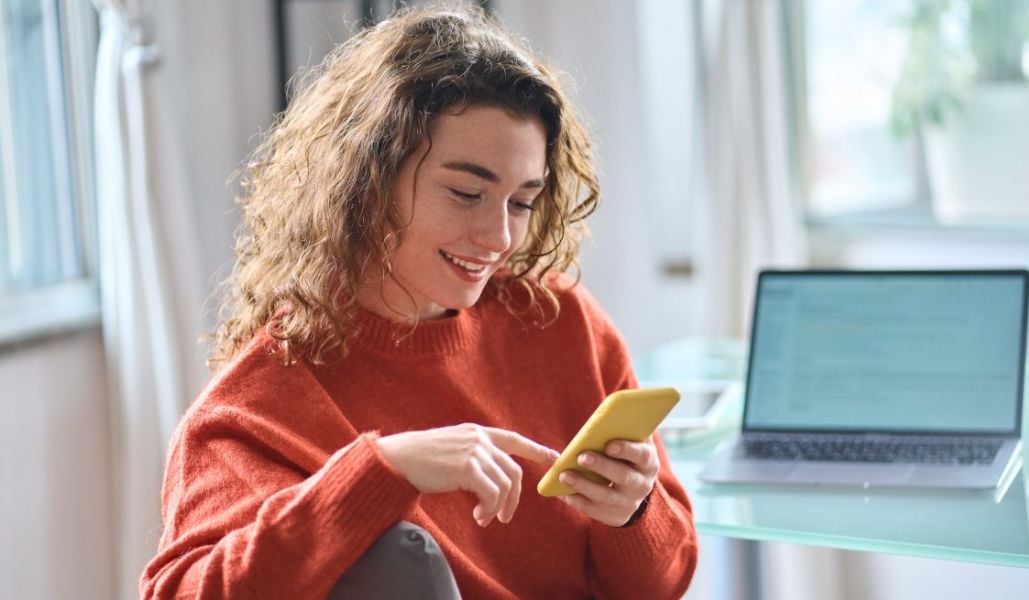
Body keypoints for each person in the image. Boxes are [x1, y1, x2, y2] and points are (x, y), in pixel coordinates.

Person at [140, 4, 698, 599]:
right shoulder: (261, 407)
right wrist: (380, 470)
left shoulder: (561, 322)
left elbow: (665, 583)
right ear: (368, 182)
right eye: (466, 193)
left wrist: (633, 514)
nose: (500, 239)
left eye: (520, 202)